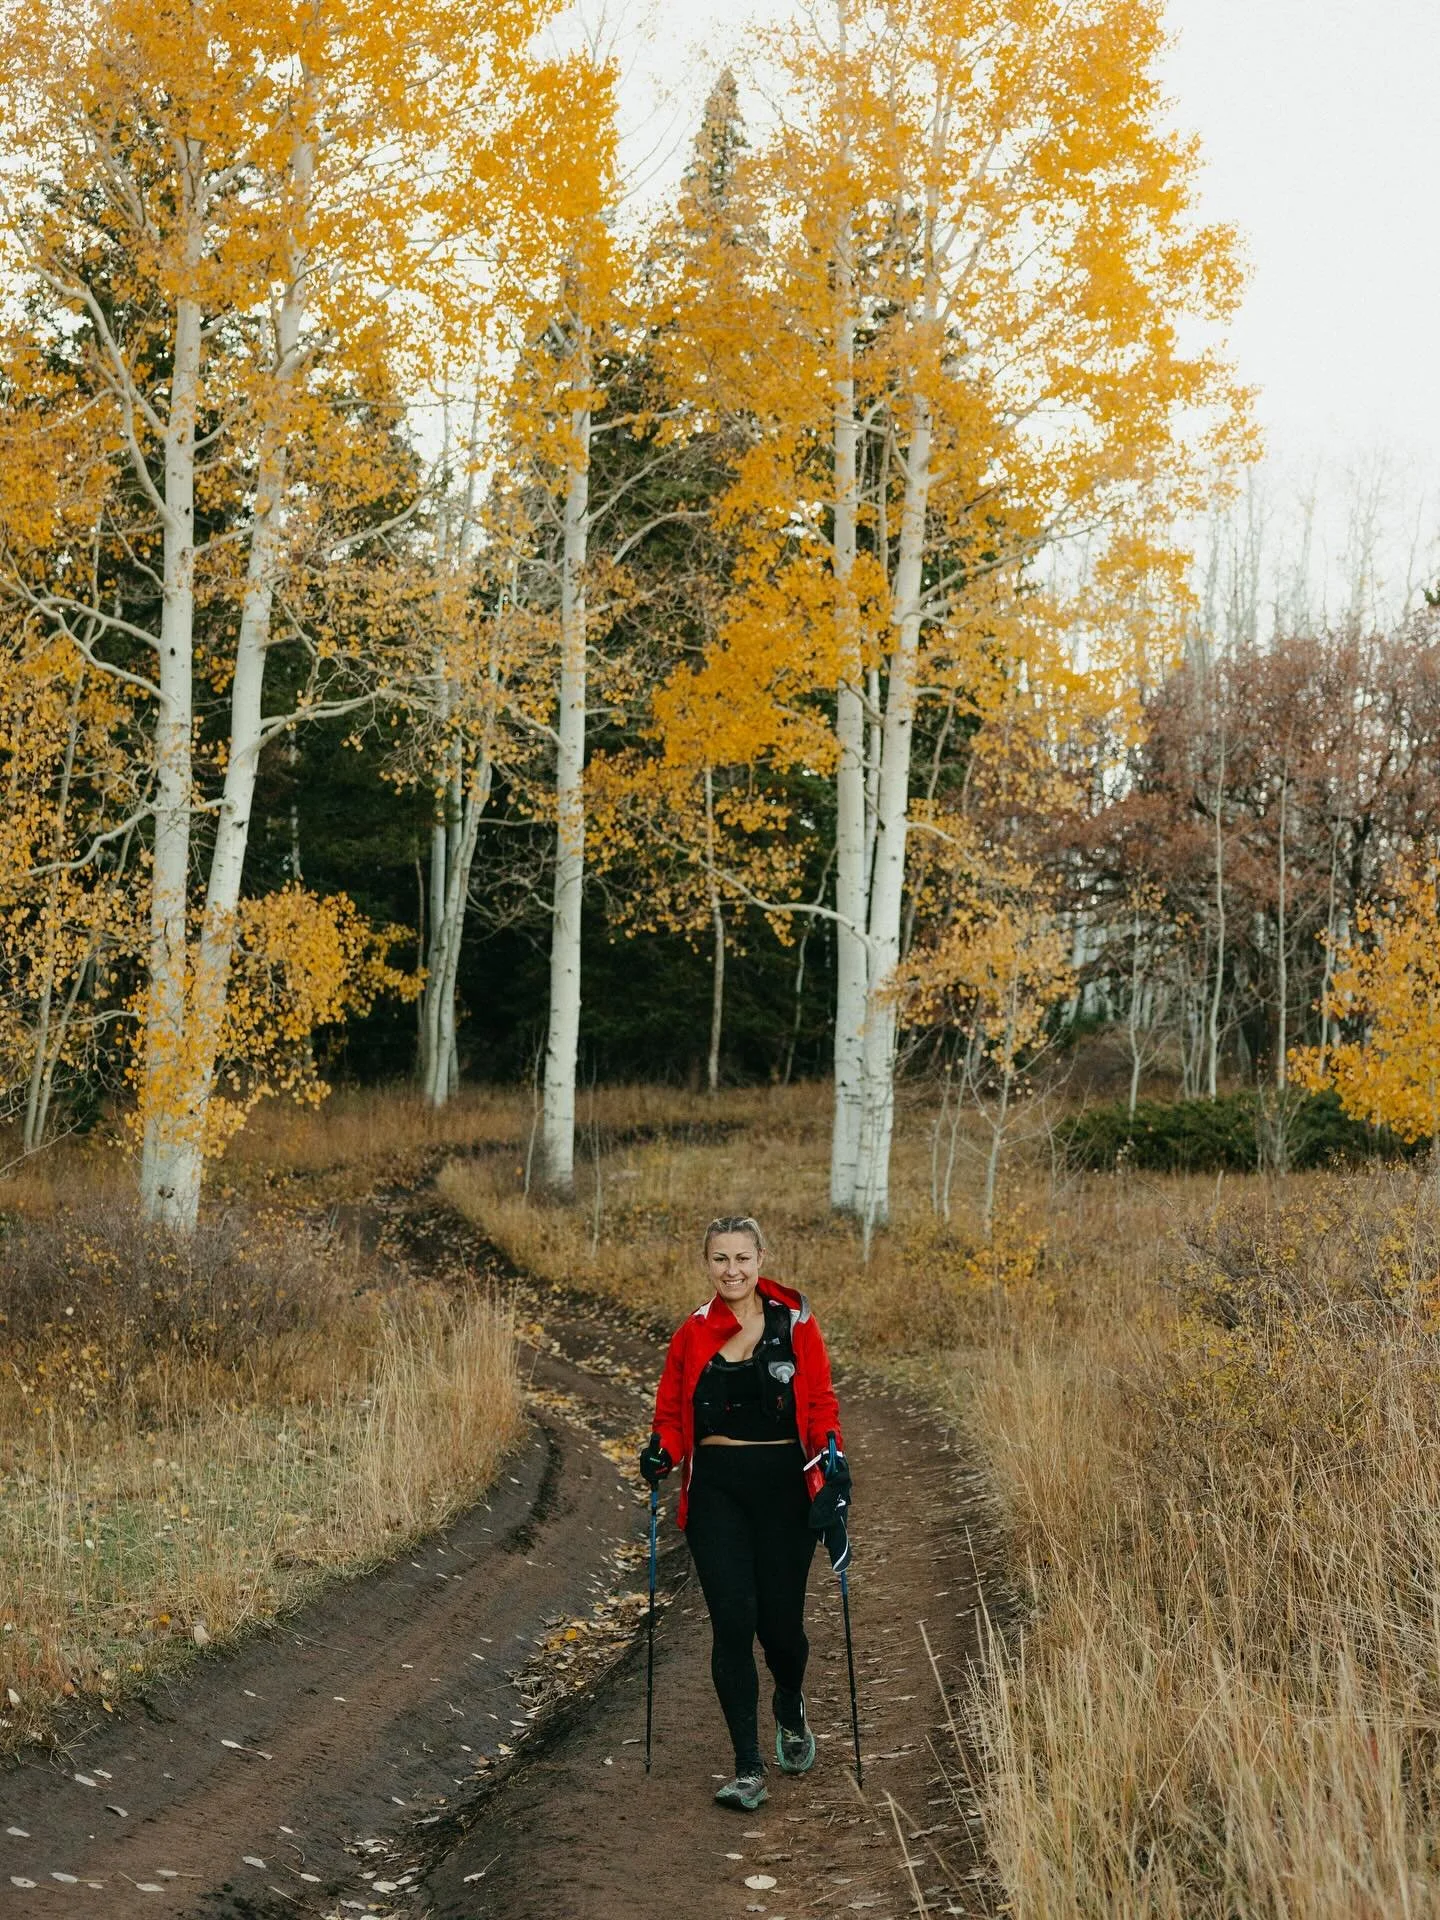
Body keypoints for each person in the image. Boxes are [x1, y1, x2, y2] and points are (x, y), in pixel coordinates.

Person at [639, 1214, 852, 1811]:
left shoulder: (796, 1324)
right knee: (733, 1622)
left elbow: (821, 1402)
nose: (731, 1270)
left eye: (741, 1258)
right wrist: (661, 1452)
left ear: (760, 1259)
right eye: (719, 1259)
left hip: (785, 1487)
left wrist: (832, 1456)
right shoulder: (692, 1333)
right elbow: (671, 1418)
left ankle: (790, 1702)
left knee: (780, 1629)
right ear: (706, 1264)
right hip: (717, 1492)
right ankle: (747, 1766)